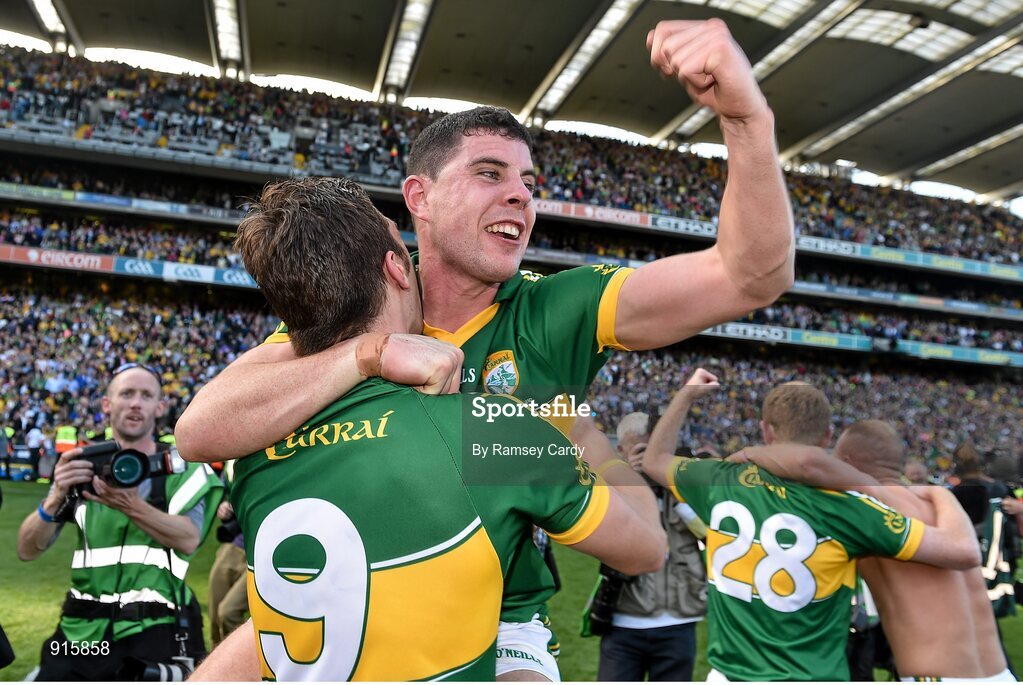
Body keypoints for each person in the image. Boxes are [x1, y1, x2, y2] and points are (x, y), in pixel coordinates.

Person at [176, 20, 794, 670]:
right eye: (489, 172)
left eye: (529, 181)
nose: (521, 195)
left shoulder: (558, 307)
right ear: (421, 196)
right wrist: (371, 355)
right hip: (348, 591)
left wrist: (745, 116)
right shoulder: (363, 304)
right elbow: (199, 427)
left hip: (501, 617)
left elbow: (749, 273)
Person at [188, 176, 665, 681]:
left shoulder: (253, 444)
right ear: (395, 268)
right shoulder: (488, 431)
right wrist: (592, 444)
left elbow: (200, 427)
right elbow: (646, 548)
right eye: (401, 243)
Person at [641, 377, 983, 681]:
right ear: (828, 436)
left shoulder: (719, 479)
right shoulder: (848, 507)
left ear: (766, 430)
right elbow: (963, 551)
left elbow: (655, 460)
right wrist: (941, 494)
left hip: (730, 675)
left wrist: (686, 396)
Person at [738, 419, 1013, 681]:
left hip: (935, 676)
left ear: (844, 464)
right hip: (1001, 673)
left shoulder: (866, 509)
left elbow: (807, 463)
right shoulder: (938, 502)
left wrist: (745, 455)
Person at [16, 364, 223, 681]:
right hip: (80, 631)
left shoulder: (183, 469)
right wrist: (55, 496)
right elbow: (27, 550)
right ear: (107, 404)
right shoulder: (83, 470)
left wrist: (130, 505)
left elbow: (188, 539)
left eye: (146, 395)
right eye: (126, 393)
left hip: (156, 627)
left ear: (160, 407)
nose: (136, 403)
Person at [582, 412, 706, 682]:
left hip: (678, 620)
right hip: (623, 620)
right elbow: (595, 536)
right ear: (621, 451)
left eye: (653, 451)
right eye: (639, 450)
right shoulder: (608, 486)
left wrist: (668, 483)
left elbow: (711, 535)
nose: (646, 457)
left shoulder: (684, 483)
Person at [207, 460, 248, 647]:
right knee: (215, 614)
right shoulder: (232, 461)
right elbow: (225, 491)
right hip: (233, 546)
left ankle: (238, 665)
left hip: (260, 552)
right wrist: (224, 507)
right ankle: (217, 667)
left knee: (228, 612)